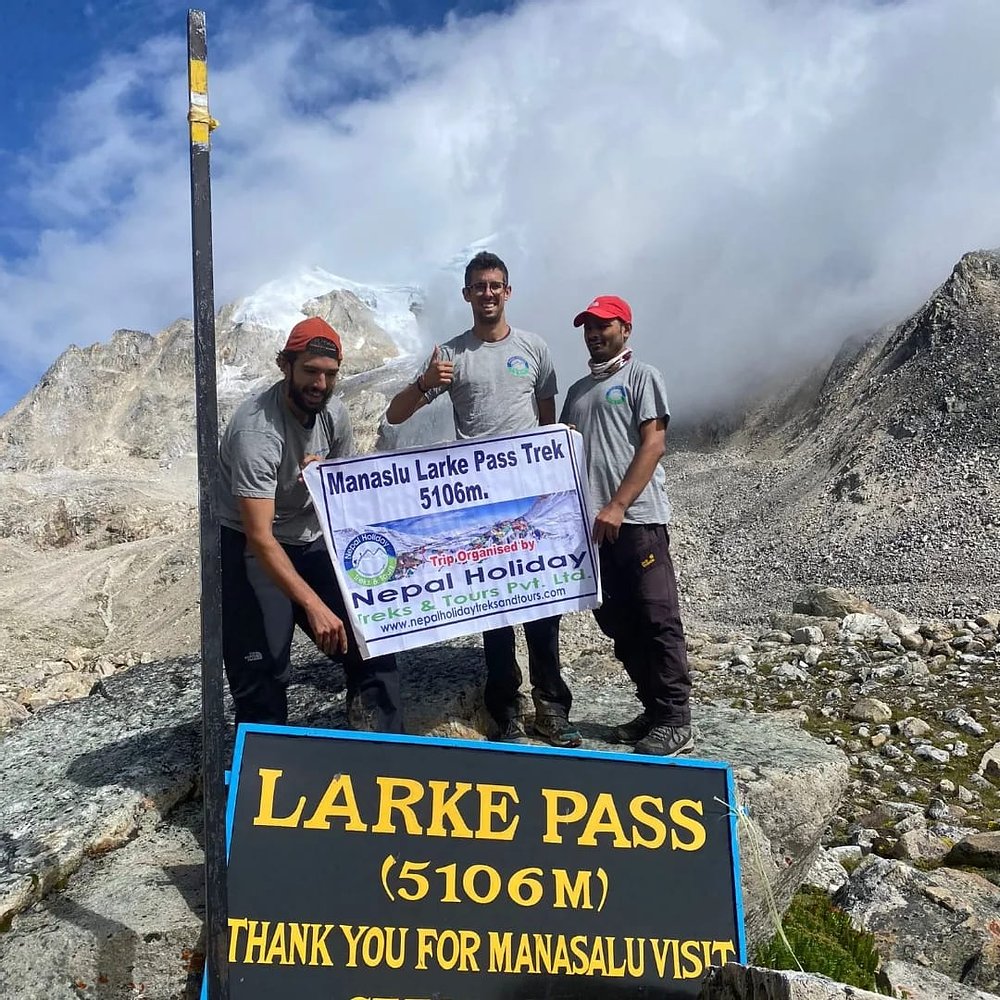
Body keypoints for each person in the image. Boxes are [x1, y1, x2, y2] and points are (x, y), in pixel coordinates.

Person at [385, 251, 579, 748]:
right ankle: (506, 710)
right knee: (492, 609)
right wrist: (428, 382)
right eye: (479, 286)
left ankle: (552, 707)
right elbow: (396, 413)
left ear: (507, 292)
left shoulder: (535, 349)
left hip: (530, 498)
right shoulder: (450, 355)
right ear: (466, 294)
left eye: (496, 285)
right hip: (480, 505)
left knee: (542, 605)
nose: (488, 293)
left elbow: (545, 422)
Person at [217, 315, 403, 733]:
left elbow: (346, 496)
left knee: (371, 638)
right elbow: (260, 538)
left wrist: (327, 481)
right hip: (252, 545)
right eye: (310, 372)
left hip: (310, 535)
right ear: (285, 365)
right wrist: (314, 606)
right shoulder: (256, 432)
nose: (319, 384)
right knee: (262, 670)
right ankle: (261, 782)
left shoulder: (333, 413)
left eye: (330, 374)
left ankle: (384, 757)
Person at [559, 295, 693, 756]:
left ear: (625, 329)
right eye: (588, 327)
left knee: (656, 617)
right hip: (593, 532)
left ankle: (676, 717)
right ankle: (654, 710)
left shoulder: (643, 377)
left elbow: (653, 444)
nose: (594, 333)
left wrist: (617, 504)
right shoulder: (576, 393)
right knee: (617, 623)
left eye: (603, 325)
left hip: (637, 521)